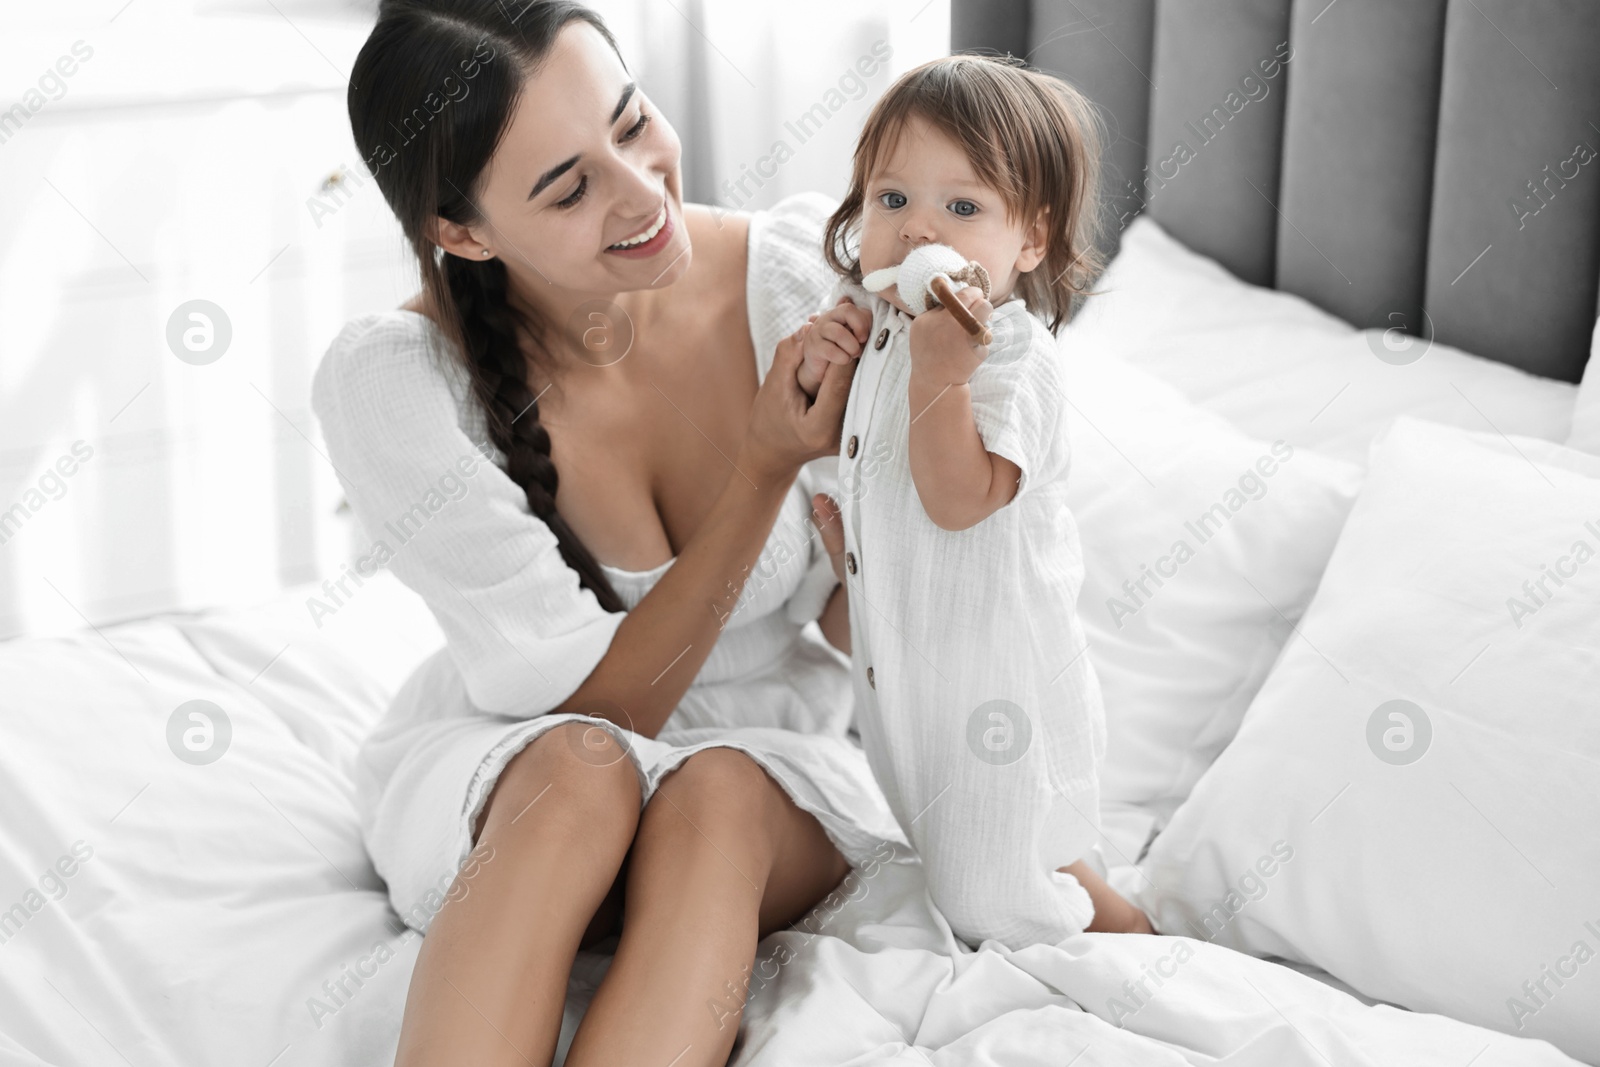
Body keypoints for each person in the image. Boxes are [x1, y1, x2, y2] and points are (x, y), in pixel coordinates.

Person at [313, 3, 903, 1064]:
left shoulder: (800, 283)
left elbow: (886, 609)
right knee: (584, 764)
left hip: (766, 761)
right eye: (570, 186)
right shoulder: (395, 384)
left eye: (631, 125)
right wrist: (762, 467)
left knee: (713, 793)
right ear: (462, 232)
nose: (642, 194)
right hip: (530, 758)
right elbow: (607, 708)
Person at [794, 54, 1153, 949]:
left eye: (962, 209)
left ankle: (1142, 949)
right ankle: (1118, 920)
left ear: (1028, 241)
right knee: (988, 852)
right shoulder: (884, 330)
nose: (918, 233)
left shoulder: (1006, 357)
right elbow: (880, 485)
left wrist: (939, 378)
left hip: (999, 686)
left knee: (995, 885)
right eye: (891, 200)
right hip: (913, 680)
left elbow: (958, 501)